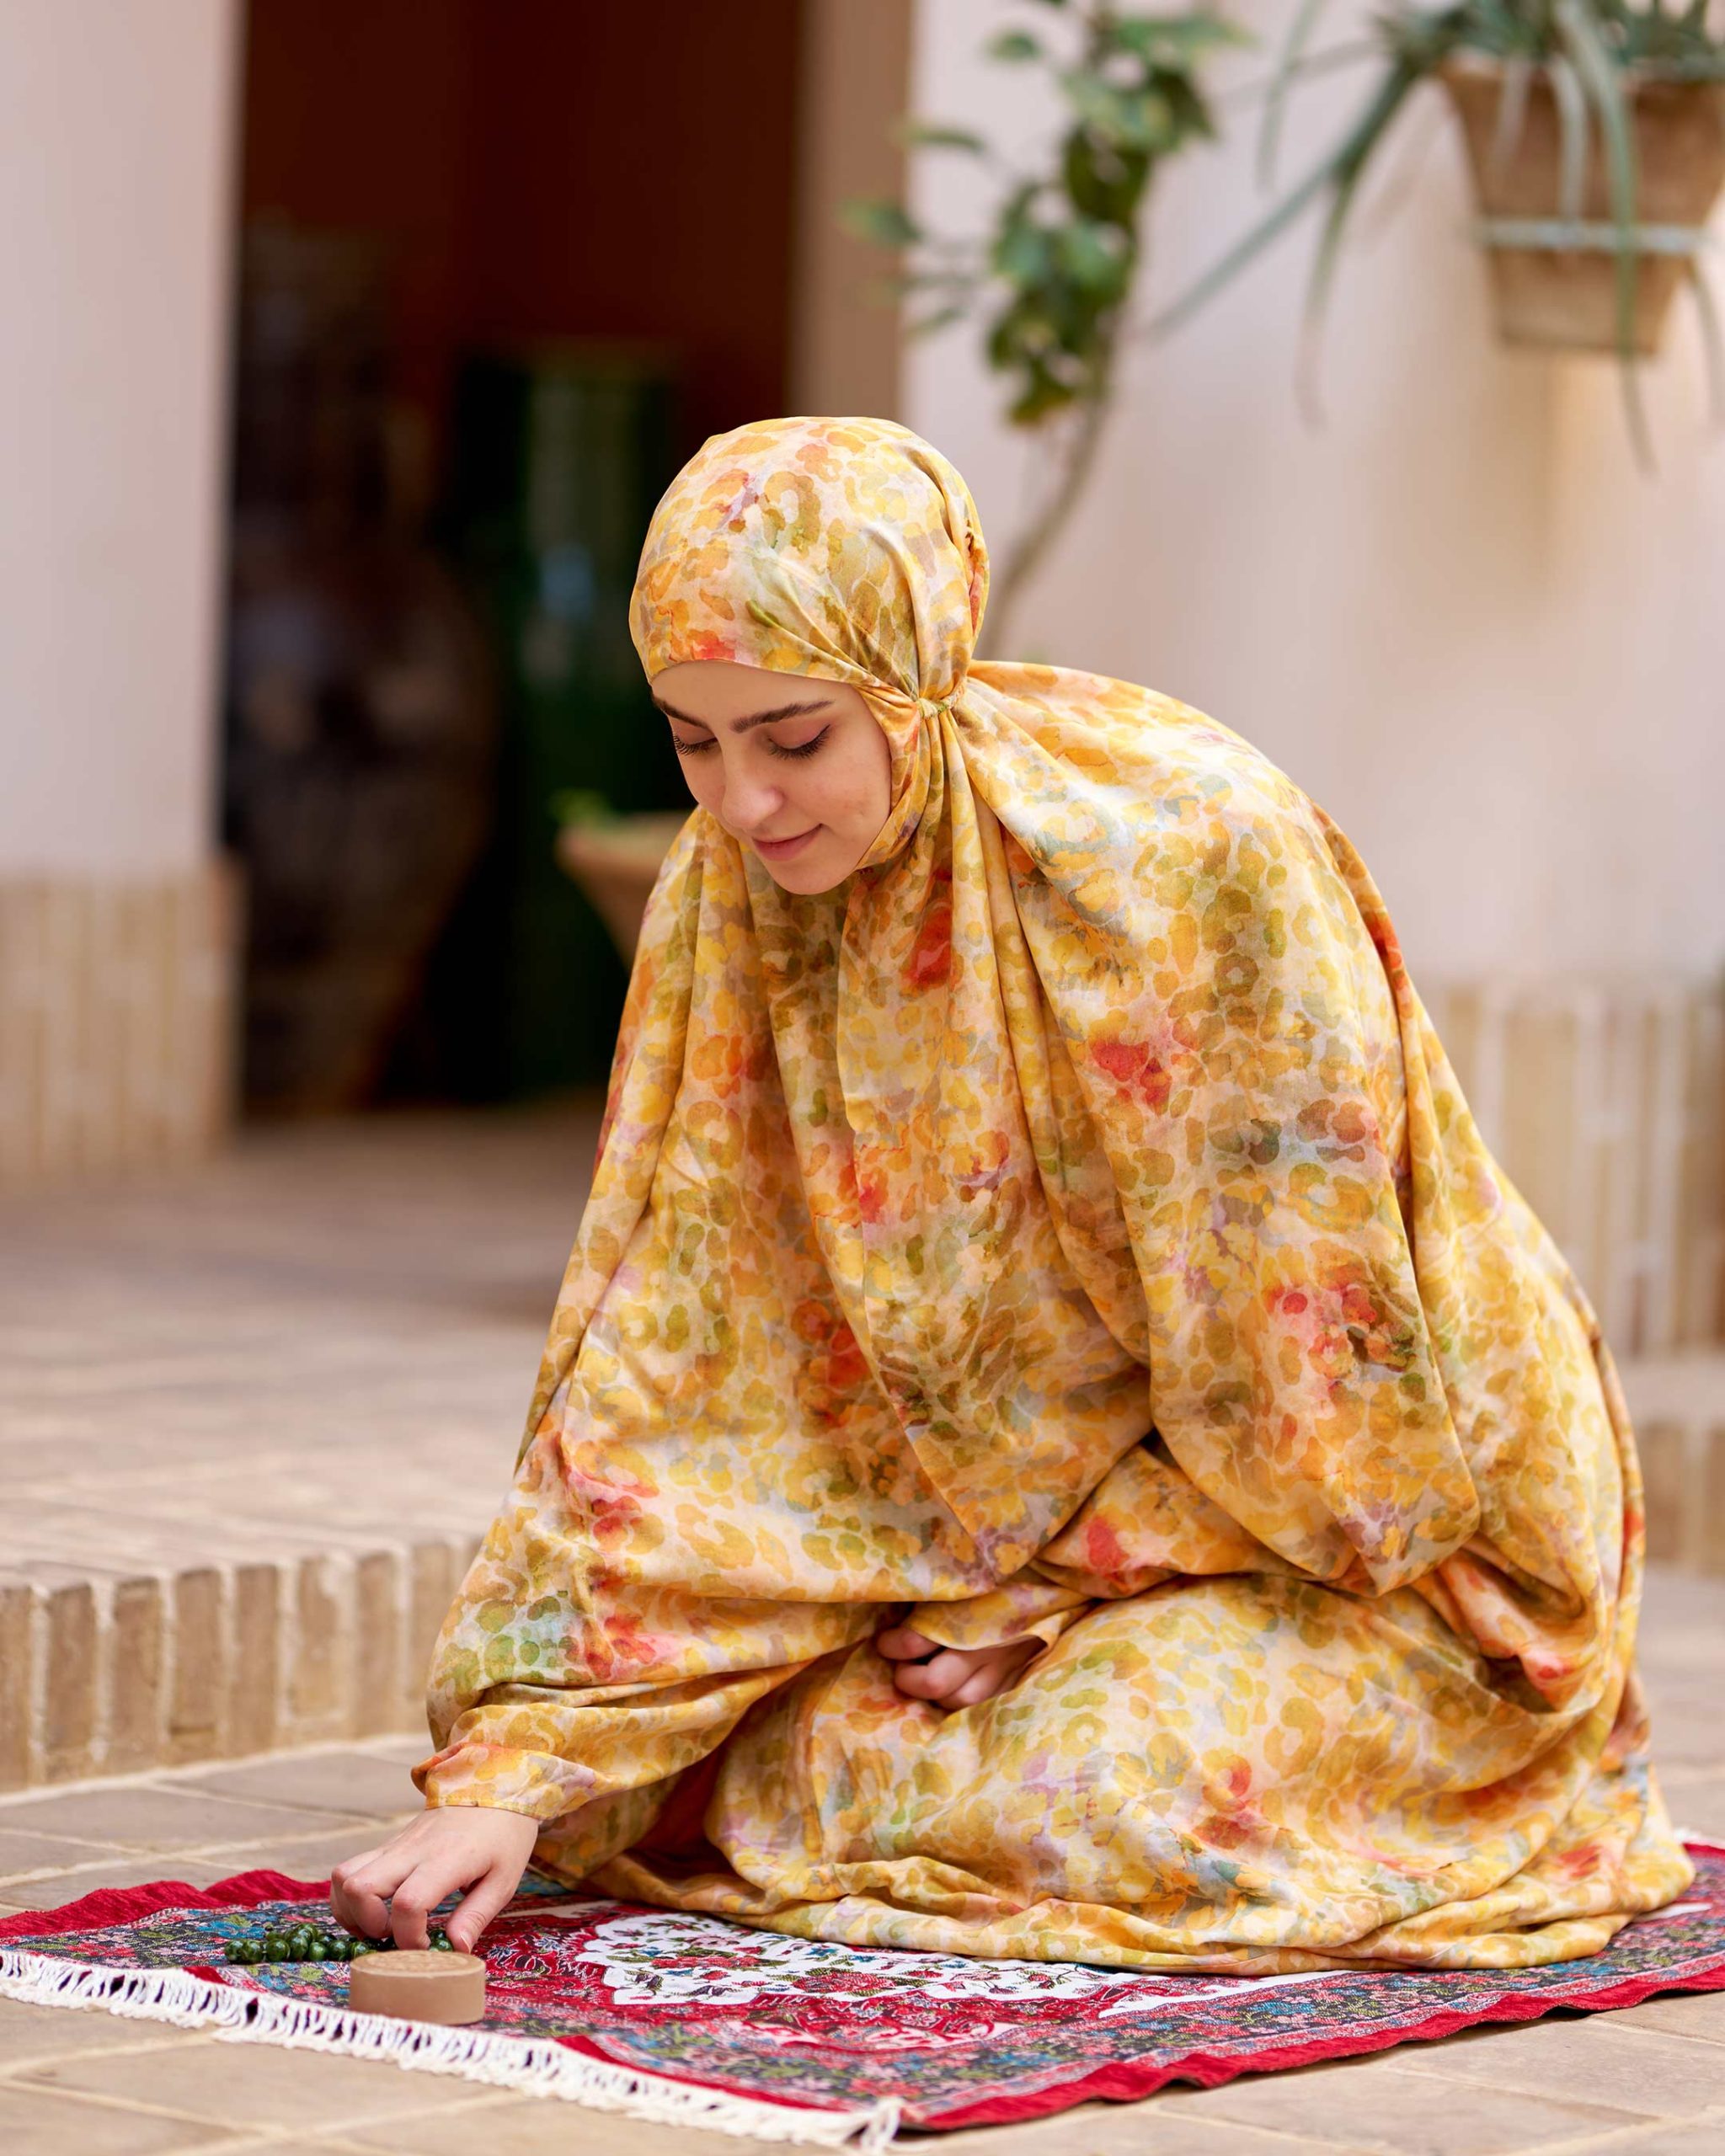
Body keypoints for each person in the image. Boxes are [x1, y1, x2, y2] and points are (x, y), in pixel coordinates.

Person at [331, 415, 1690, 1968]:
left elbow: (1337, 1404)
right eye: (694, 743)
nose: (746, 803)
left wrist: (1052, 1587)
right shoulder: (731, 893)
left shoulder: (1185, 858)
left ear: (912, 673)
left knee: (1112, 1788)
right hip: (998, 1546)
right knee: (698, 1774)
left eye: (794, 737)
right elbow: (685, 1337)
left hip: (1377, 1543)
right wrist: (528, 1758)